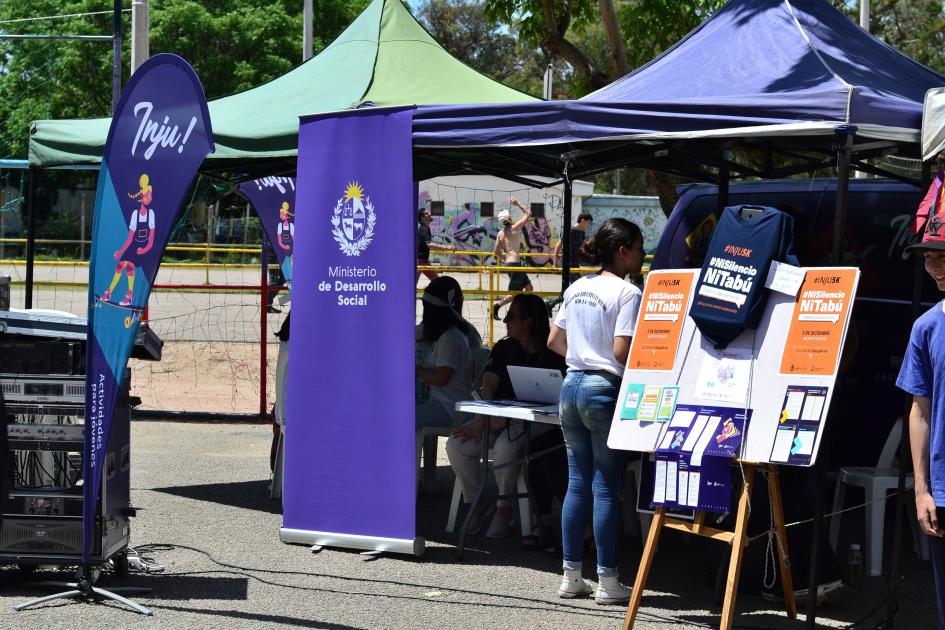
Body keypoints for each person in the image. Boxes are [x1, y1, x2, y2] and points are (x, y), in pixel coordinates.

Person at [547, 217, 645, 605]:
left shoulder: (576, 288)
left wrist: (584, 353)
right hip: (603, 389)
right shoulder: (627, 293)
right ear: (623, 251)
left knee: (577, 483)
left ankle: (571, 576)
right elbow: (622, 351)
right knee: (606, 487)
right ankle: (608, 581)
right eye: (638, 248)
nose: (641, 255)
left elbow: (555, 341)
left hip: (569, 386)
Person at [446, 293, 565, 539]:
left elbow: (557, 400)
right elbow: (488, 386)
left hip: (538, 423)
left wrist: (509, 421)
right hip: (497, 416)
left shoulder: (553, 352)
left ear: (528, 322)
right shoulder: (504, 347)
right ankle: (477, 501)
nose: (505, 321)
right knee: (456, 445)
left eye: (510, 316)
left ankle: (503, 506)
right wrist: (481, 420)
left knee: (505, 447)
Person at [897, 213, 945, 629]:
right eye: (929, 256)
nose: (934, 265)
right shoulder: (926, 327)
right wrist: (921, 490)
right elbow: (920, 410)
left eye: (942, 255)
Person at [416, 276, 475, 429]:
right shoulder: (442, 333)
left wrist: (415, 372)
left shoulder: (450, 337)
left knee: (395, 416)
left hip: (449, 406)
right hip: (438, 401)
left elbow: (442, 378)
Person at [492, 197, 533, 320]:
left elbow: (496, 252)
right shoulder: (515, 228)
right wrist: (517, 203)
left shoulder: (500, 234)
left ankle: (524, 309)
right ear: (509, 219)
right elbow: (529, 213)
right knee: (514, 294)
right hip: (515, 264)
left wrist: (506, 260)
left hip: (511, 264)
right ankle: (497, 306)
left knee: (529, 288)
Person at [547, 213, 594, 312]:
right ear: (582, 220)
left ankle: (552, 303)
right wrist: (555, 262)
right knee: (577, 287)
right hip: (568, 262)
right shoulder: (570, 230)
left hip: (576, 263)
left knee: (572, 288)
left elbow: (580, 248)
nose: (588, 226)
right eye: (588, 223)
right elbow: (558, 246)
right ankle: (553, 303)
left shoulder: (582, 232)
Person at [417, 210, 457, 286]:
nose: (429, 214)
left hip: (424, 261)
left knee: (437, 282)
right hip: (419, 262)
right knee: (411, 286)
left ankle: (440, 296)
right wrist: (447, 247)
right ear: (422, 218)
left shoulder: (426, 228)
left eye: (429, 212)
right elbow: (430, 245)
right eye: (426, 213)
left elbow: (428, 245)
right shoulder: (424, 228)